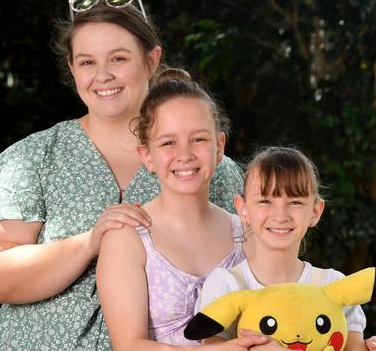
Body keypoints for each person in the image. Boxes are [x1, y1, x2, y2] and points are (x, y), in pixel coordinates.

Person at [0, 0, 244, 350]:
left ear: (152, 60)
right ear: (72, 68)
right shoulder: (34, 157)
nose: (103, 76)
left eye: (118, 58)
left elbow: (251, 273)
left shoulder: (205, 166)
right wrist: (90, 242)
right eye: (87, 62)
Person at [96, 70, 269, 350]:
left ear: (219, 146)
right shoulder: (127, 239)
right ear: (147, 156)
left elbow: (289, 309)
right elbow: (129, 346)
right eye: (168, 143)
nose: (185, 154)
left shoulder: (247, 233)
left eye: (198, 139)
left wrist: (352, 341)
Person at [196, 146, 376, 351]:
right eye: (265, 201)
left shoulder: (334, 287)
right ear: (243, 208)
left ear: (315, 211)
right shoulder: (226, 285)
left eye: (295, 202)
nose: (280, 216)